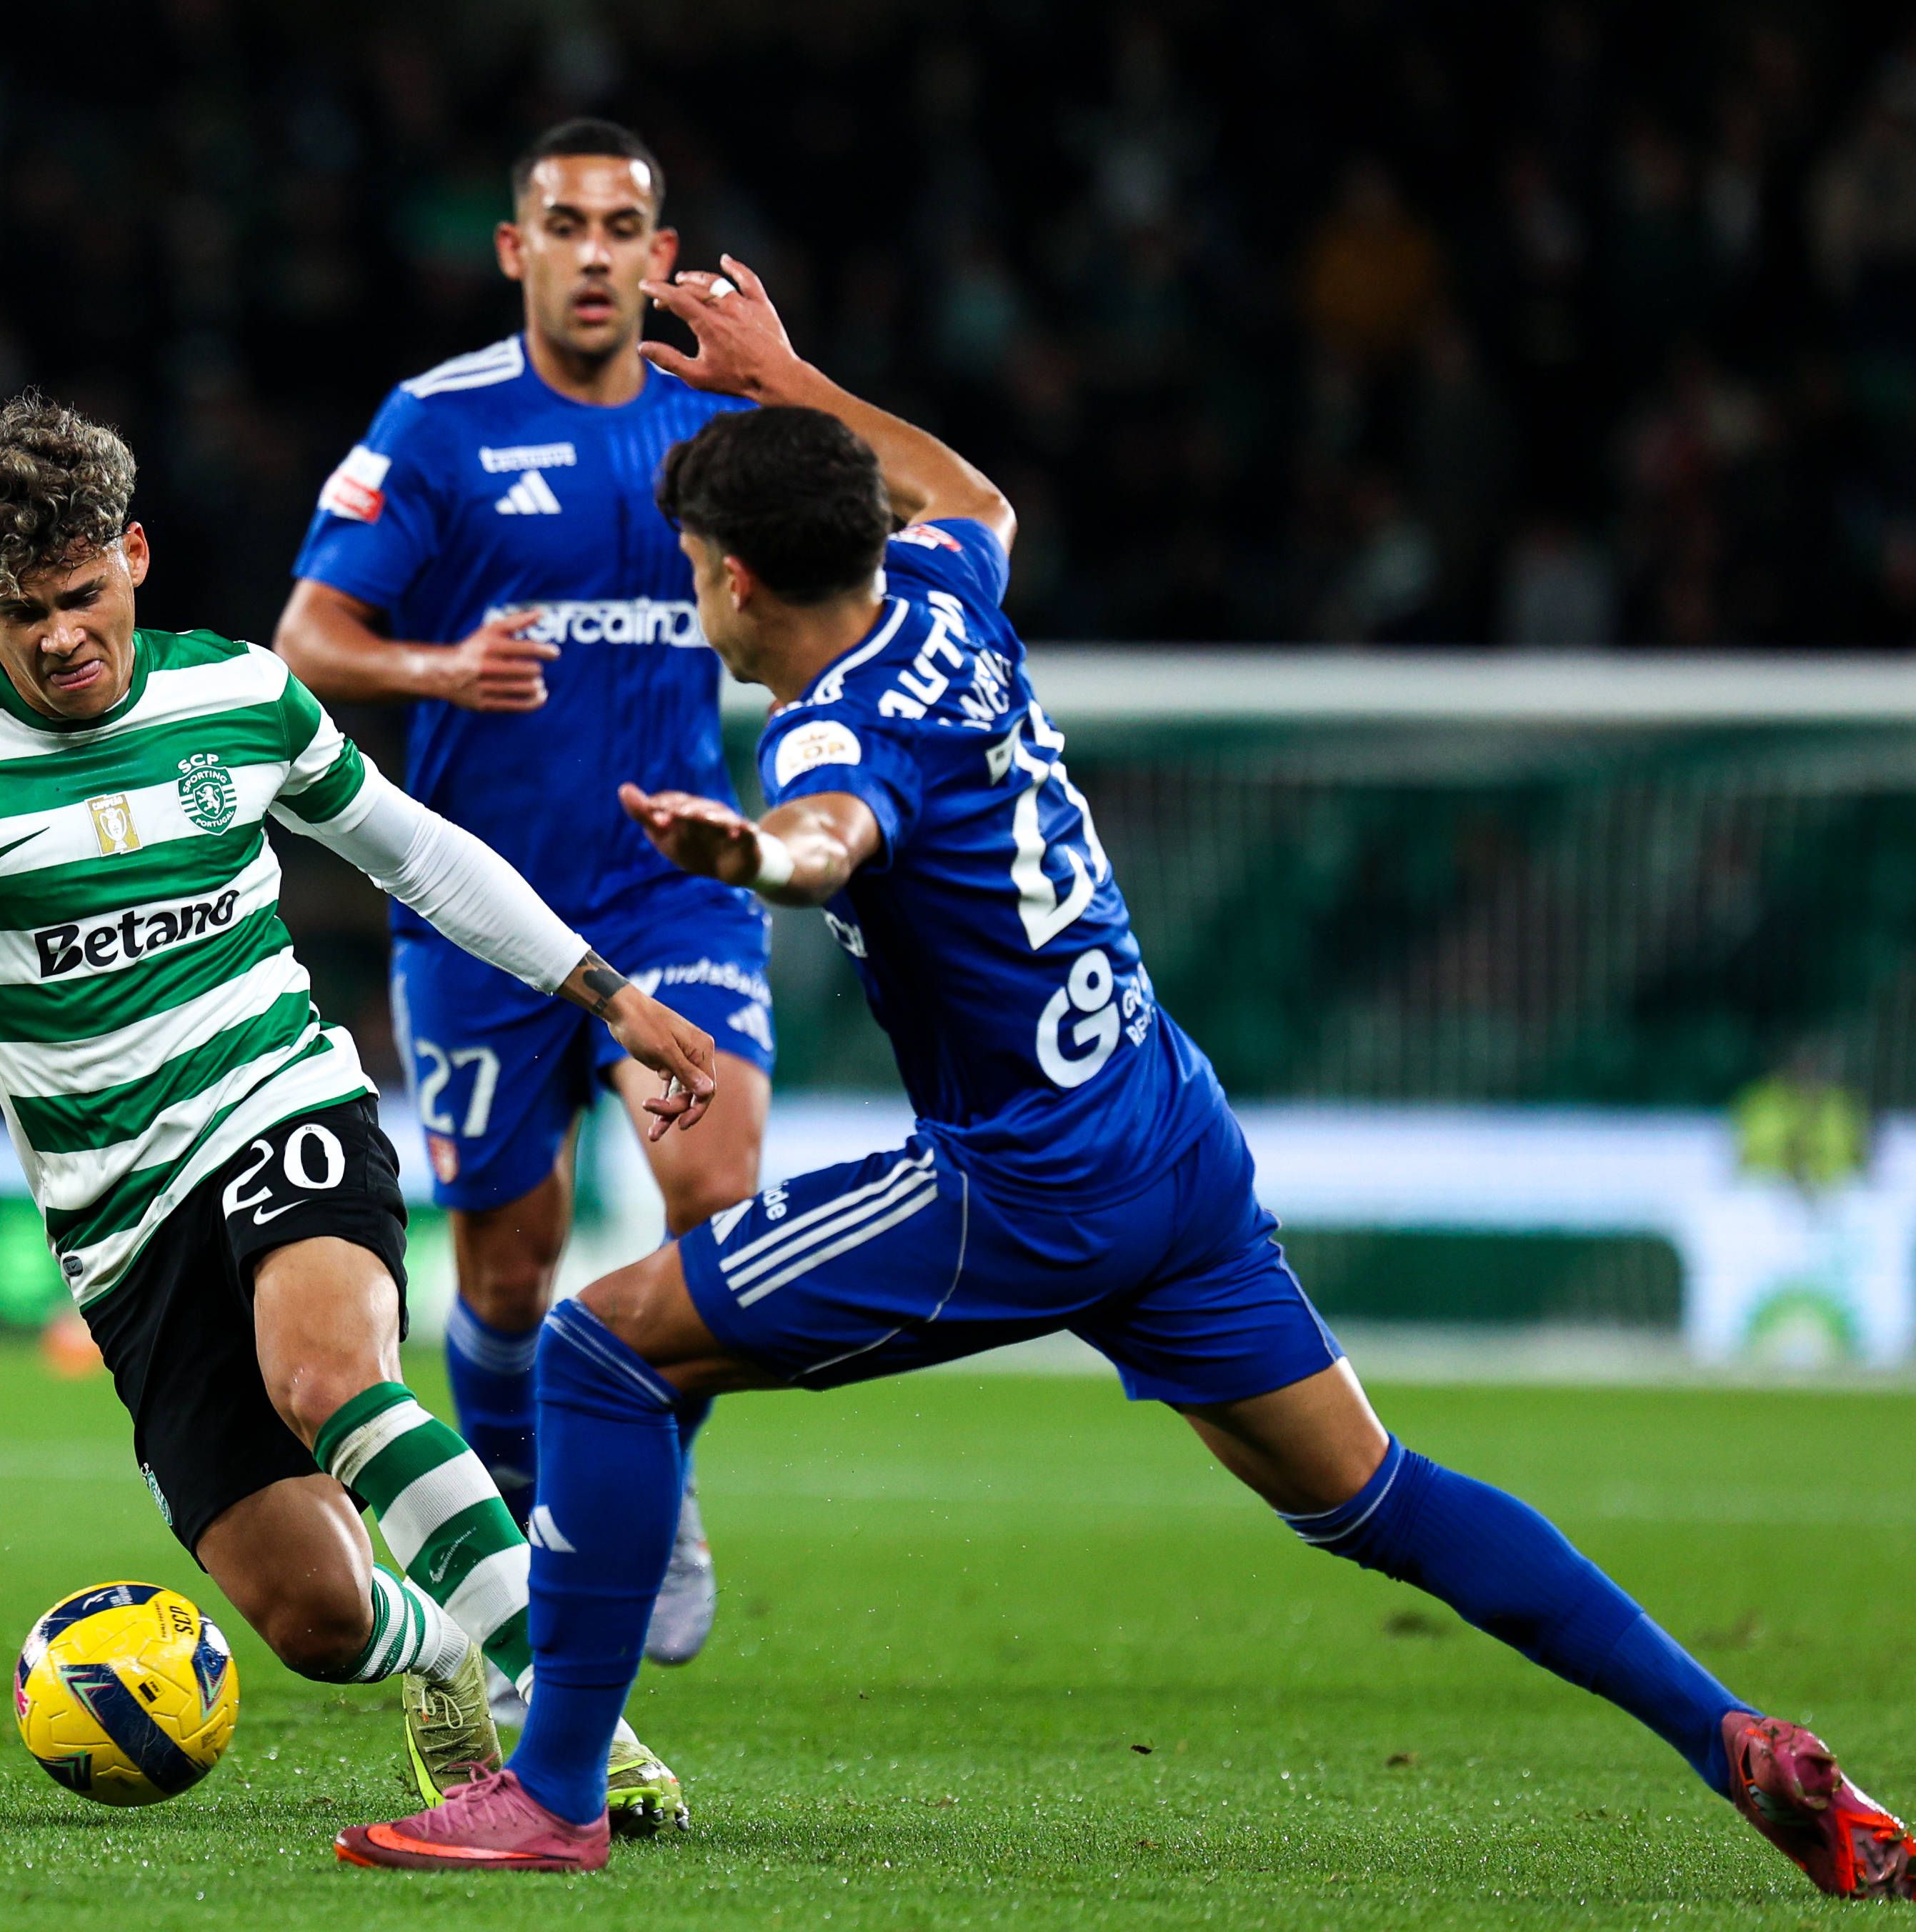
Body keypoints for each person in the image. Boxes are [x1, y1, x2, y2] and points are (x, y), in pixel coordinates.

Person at [337, 266, 1914, 1897]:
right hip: (1164, 1126)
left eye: (694, 575)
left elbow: (826, 842)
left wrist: (751, 852)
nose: (695, 604)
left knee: (601, 1348)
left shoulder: (820, 734)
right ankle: (1732, 1737)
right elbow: (974, 493)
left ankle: (552, 1794)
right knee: (1373, 1493)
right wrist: (791, 372)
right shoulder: (940, 591)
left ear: (736, 583)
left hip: (1026, 1180)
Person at [0, 394, 707, 1827]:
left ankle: (575, 1732)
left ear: (132, 555)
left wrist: (603, 991)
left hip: (281, 1100)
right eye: (25, 616)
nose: (65, 636)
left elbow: (416, 853)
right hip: (115, 1226)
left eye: (84, 596)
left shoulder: (240, 696)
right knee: (316, 1619)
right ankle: (445, 1652)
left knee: (331, 1378)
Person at [279, 119, 767, 1680]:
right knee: (505, 1263)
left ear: (658, 252)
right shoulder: (436, 424)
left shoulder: (715, 414)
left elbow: (873, 534)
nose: (596, 252)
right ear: (517, 251)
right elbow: (302, 639)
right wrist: (436, 668)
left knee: (715, 1195)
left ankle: (655, 1489)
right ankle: (512, 1514)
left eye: (625, 225)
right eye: (566, 224)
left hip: (670, 889)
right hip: (482, 909)